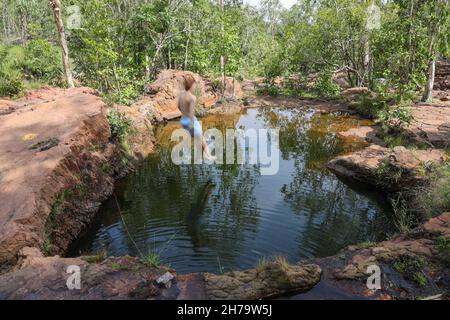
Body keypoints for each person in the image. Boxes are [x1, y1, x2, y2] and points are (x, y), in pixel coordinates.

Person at [178, 74, 214, 161]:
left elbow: (179, 106)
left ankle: (198, 153)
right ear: (190, 85)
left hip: (183, 120)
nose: (195, 86)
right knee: (202, 138)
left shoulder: (181, 96)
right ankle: (208, 156)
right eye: (194, 85)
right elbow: (191, 112)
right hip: (191, 120)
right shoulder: (192, 97)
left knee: (198, 138)